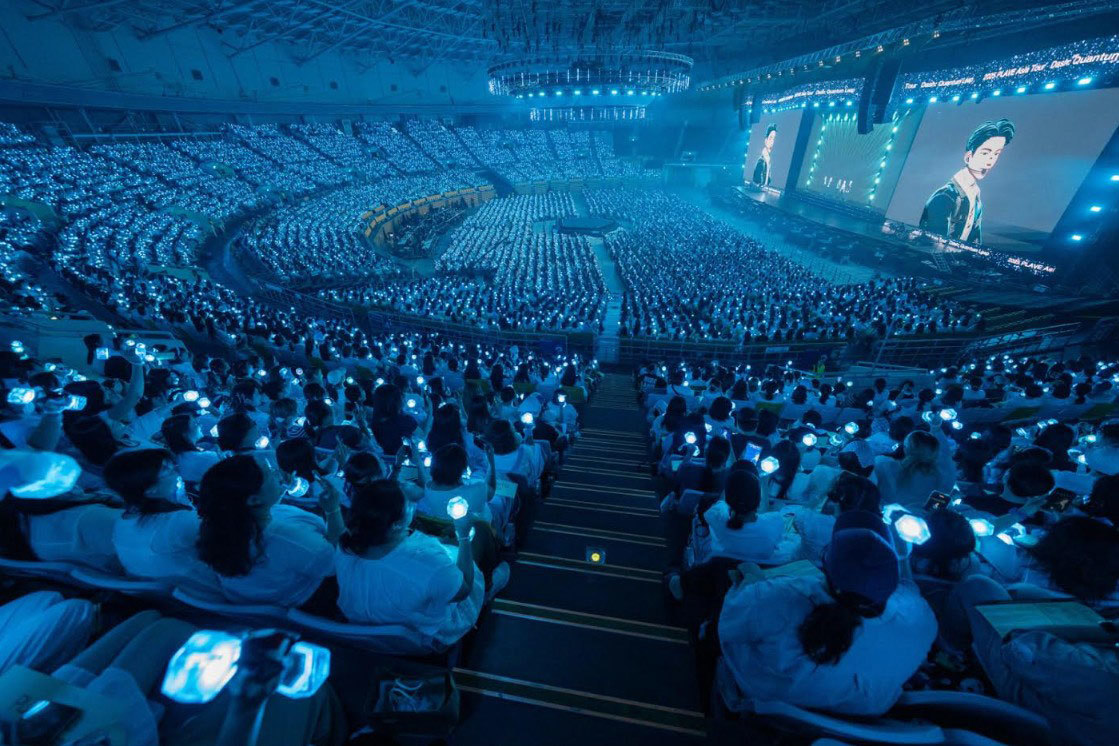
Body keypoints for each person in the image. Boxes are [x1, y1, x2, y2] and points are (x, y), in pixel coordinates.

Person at [717, 517, 937, 716]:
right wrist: (902, 557)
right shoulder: (921, 618)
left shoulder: (777, 597)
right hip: (855, 723)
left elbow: (727, 628)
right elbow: (909, 592)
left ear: (827, 566)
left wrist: (749, 581)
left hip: (766, 701)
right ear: (891, 582)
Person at [334, 480, 484, 647]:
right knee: (480, 535)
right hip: (420, 639)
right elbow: (464, 591)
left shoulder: (345, 545)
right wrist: (464, 536)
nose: (413, 504)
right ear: (397, 525)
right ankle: (493, 583)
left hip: (362, 630)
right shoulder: (427, 562)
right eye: (409, 504)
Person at [194, 454, 340, 606]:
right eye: (269, 473)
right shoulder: (287, 540)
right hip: (317, 595)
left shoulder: (223, 529)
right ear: (254, 499)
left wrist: (274, 493)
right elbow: (336, 561)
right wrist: (333, 510)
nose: (277, 473)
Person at [106, 448, 215, 586]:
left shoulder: (122, 521)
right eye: (168, 471)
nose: (177, 472)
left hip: (156, 590)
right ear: (150, 490)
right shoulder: (181, 520)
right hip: (197, 587)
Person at [919, 118, 1015, 244]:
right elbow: (932, 244)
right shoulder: (946, 196)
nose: (991, 160)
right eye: (985, 153)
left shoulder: (976, 197)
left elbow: (975, 243)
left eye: (996, 154)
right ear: (968, 157)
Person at [873, 430, 954, 509]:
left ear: (905, 448)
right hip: (922, 517)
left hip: (884, 514)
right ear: (934, 451)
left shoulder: (883, 464)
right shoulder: (942, 476)